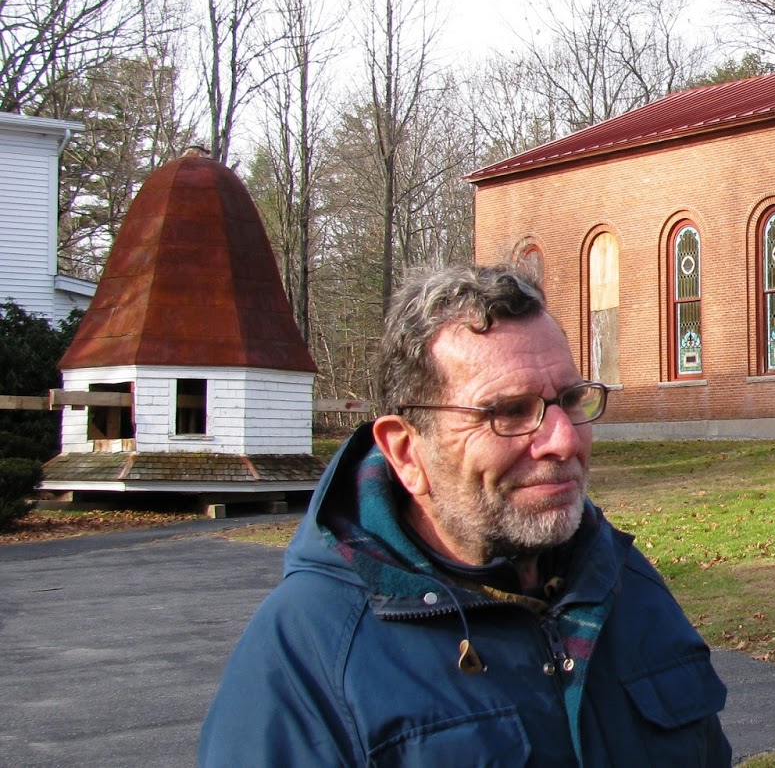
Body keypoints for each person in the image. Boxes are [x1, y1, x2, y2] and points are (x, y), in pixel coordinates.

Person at [200, 263, 731, 767]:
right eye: (508, 412)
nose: (564, 440)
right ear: (407, 452)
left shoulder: (624, 584)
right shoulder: (307, 656)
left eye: (570, 399)